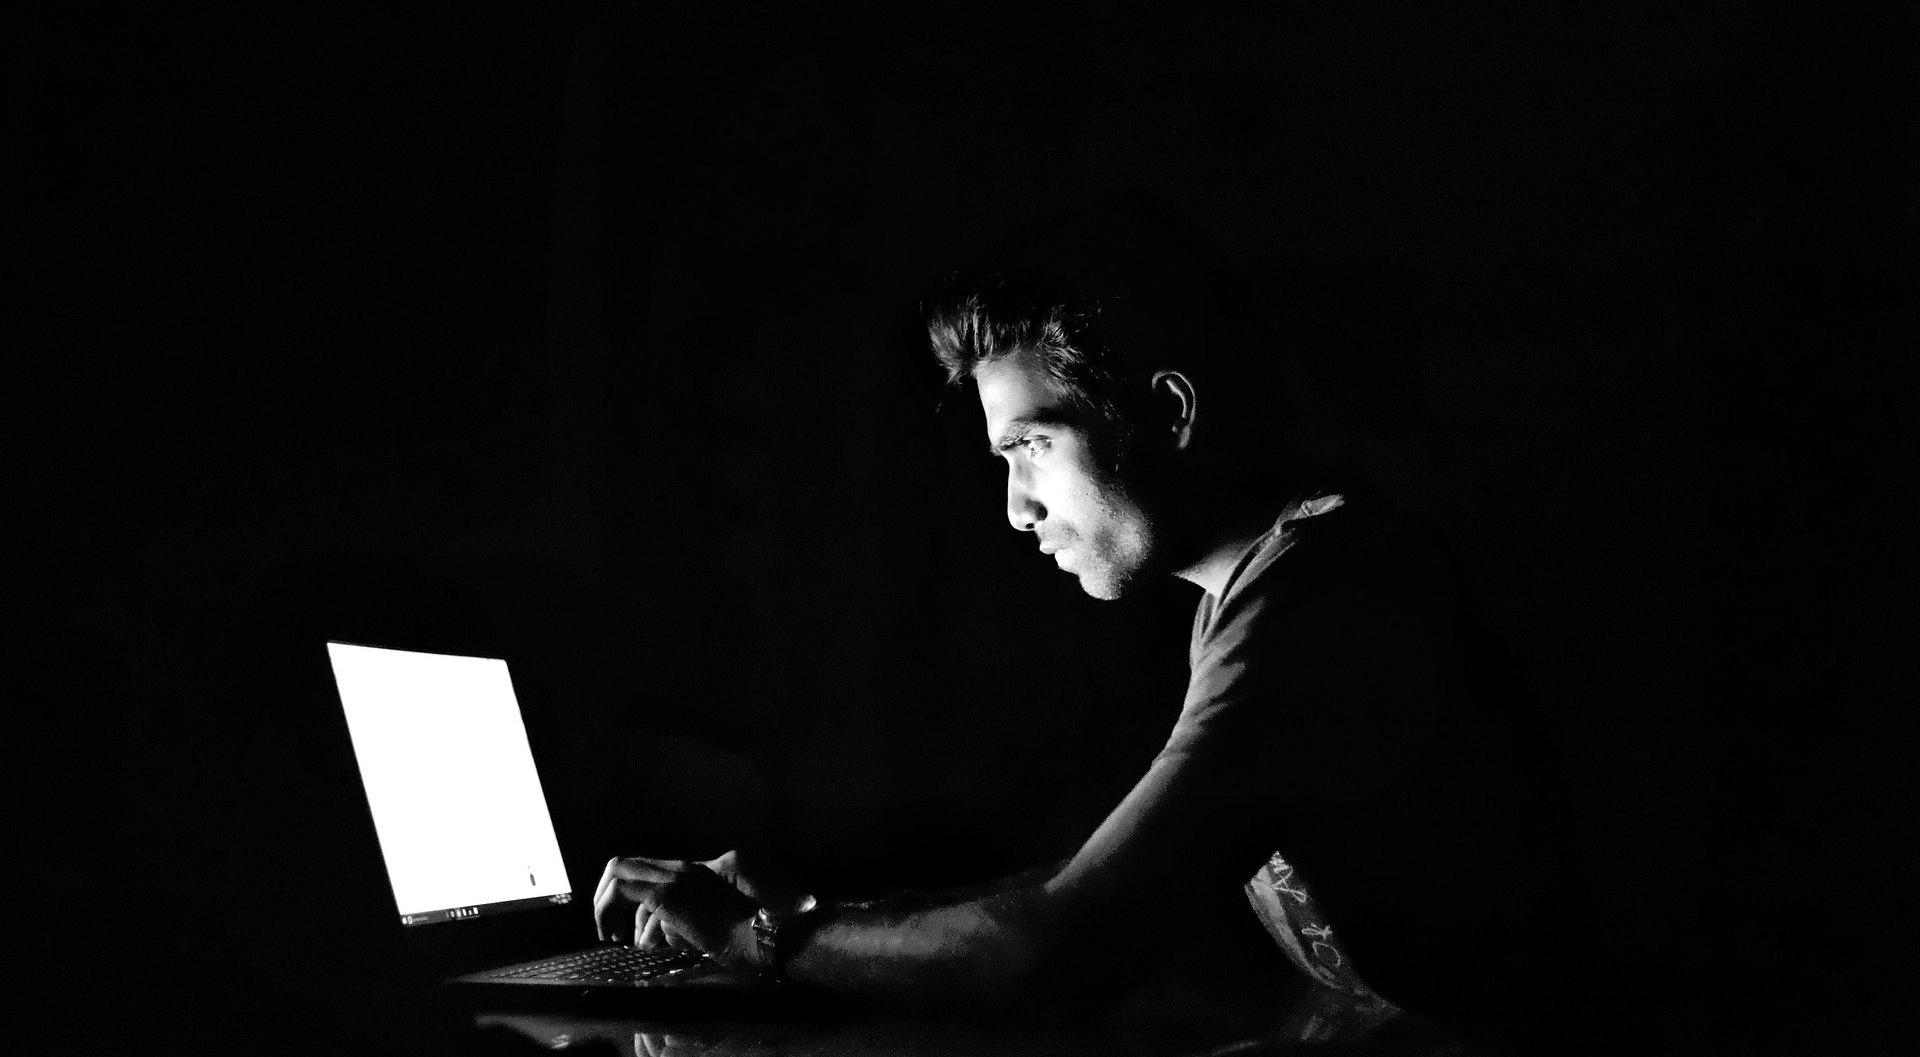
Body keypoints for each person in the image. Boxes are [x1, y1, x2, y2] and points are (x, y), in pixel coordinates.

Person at [593, 194, 1565, 1044]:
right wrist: (811, 913)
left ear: (1169, 411)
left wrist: (765, 940)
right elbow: (1107, 875)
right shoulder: (1259, 586)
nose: (1017, 507)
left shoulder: (1322, 595)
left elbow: (1063, 948)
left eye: (1033, 444)